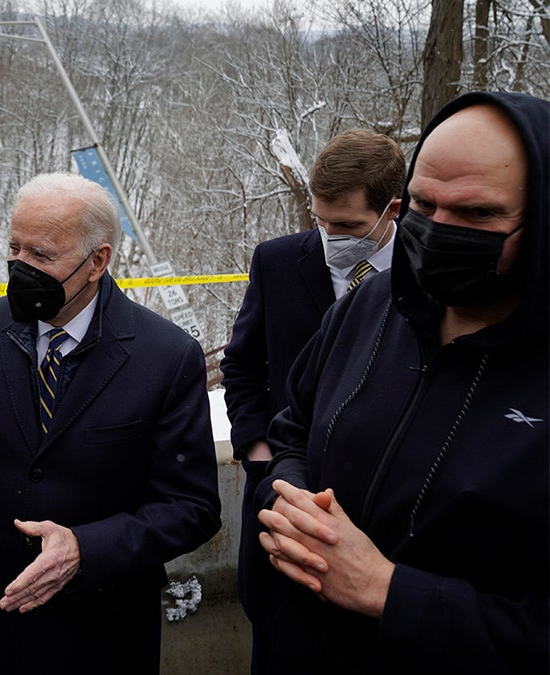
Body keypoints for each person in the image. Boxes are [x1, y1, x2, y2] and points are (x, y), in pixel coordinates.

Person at [255, 91, 548, 673]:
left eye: (478, 214)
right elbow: (294, 428)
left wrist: (389, 591)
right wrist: (290, 505)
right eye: (422, 204)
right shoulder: (371, 304)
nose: (438, 232)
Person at [0, 172, 222, 673]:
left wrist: (84, 548)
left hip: (104, 624)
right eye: (15, 249)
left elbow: (193, 507)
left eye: (42, 256)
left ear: (98, 261)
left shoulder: (165, 356)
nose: (20, 268)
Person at [219, 128, 405, 672]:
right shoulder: (277, 262)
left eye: (346, 226)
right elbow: (243, 365)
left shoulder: (430, 269)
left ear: (391, 209)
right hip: (282, 497)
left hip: (380, 521)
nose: (330, 238)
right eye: (321, 222)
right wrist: (258, 454)